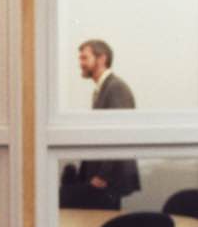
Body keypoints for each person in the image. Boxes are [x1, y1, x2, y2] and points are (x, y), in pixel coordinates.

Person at [60, 37, 141, 208]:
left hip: (108, 179)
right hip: (102, 176)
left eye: (84, 58)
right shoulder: (103, 89)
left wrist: (103, 175)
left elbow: (119, 134)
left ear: (102, 58)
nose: (80, 63)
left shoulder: (116, 88)